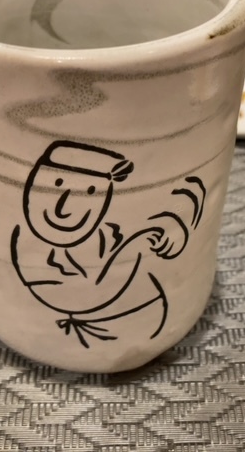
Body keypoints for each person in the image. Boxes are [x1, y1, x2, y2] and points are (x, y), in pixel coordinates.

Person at [11, 140, 204, 348]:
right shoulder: (29, 245)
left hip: (143, 324)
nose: (62, 208)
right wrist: (136, 247)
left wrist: (173, 226)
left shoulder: (105, 231)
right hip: (96, 335)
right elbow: (77, 296)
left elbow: (160, 207)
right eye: (57, 184)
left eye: (90, 192)